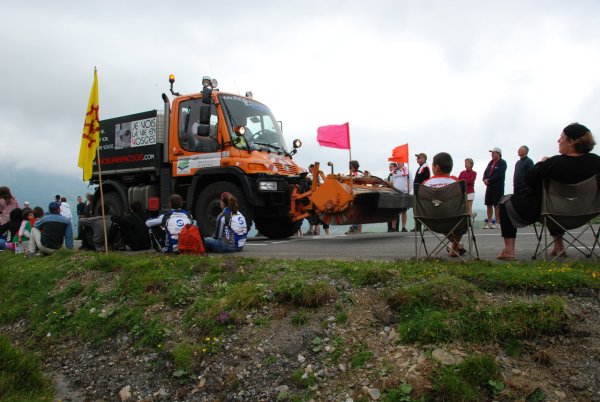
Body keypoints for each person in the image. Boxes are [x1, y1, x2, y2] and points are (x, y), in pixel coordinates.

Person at [497, 123, 600, 260]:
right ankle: (558, 247)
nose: (558, 141)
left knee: (505, 201)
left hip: (553, 213)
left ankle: (509, 251)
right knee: (555, 204)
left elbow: (529, 180)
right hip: (586, 213)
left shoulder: (553, 163)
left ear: (571, 141)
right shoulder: (597, 162)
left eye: (561, 138)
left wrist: (541, 163)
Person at [421, 152, 465, 257]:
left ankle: (455, 247)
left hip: (431, 221)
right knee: (456, 219)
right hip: (455, 220)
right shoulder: (457, 183)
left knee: (440, 214)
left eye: (432, 164)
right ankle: (455, 247)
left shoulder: (425, 184)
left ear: (437, 167)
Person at [482, 147, 507, 229]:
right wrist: (484, 179)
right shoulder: (491, 162)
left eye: (493, 153)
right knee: (488, 204)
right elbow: (486, 172)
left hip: (498, 187)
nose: (492, 154)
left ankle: (497, 223)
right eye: (491, 153)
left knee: (497, 205)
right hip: (489, 186)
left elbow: (499, 174)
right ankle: (489, 223)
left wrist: (489, 180)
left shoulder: (502, 163)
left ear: (498, 154)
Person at [387, 162, 410, 232]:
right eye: (397, 163)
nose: (398, 164)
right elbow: (391, 183)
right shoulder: (394, 172)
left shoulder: (407, 171)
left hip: (403, 192)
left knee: (403, 211)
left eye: (399, 163)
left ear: (403, 163)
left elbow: (410, 181)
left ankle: (403, 227)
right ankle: (393, 227)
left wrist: (408, 191)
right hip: (395, 193)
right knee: (395, 211)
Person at [411, 153, 430, 232]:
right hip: (417, 191)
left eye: (419, 157)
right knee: (417, 209)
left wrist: (421, 190)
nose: (417, 158)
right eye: (417, 157)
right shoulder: (421, 167)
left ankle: (427, 226)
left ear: (424, 159)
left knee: (422, 209)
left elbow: (425, 180)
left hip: (421, 191)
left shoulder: (425, 167)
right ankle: (418, 226)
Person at [346, 160, 364, 234]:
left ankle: (355, 228)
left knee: (355, 211)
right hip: (357, 193)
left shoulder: (357, 173)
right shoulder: (359, 173)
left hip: (356, 193)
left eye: (350, 166)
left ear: (352, 166)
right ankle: (358, 230)